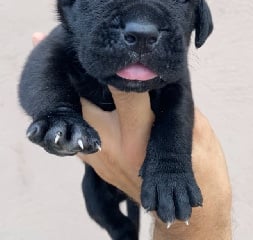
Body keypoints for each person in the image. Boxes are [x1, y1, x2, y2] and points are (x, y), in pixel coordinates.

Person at [32, 32, 232, 240]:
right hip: (98, 168)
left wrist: (169, 165)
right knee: (96, 202)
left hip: (154, 149)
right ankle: (123, 232)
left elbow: (175, 106)